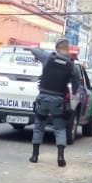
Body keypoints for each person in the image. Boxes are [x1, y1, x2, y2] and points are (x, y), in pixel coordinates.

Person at [29, 38, 79, 167]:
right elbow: (75, 87)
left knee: (39, 126)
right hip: (58, 100)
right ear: (68, 49)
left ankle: (35, 155)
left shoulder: (48, 57)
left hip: (43, 98)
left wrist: (41, 53)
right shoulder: (72, 66)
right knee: (59, 128)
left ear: (57, 48)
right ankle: (60, 156)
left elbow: (34, 49)